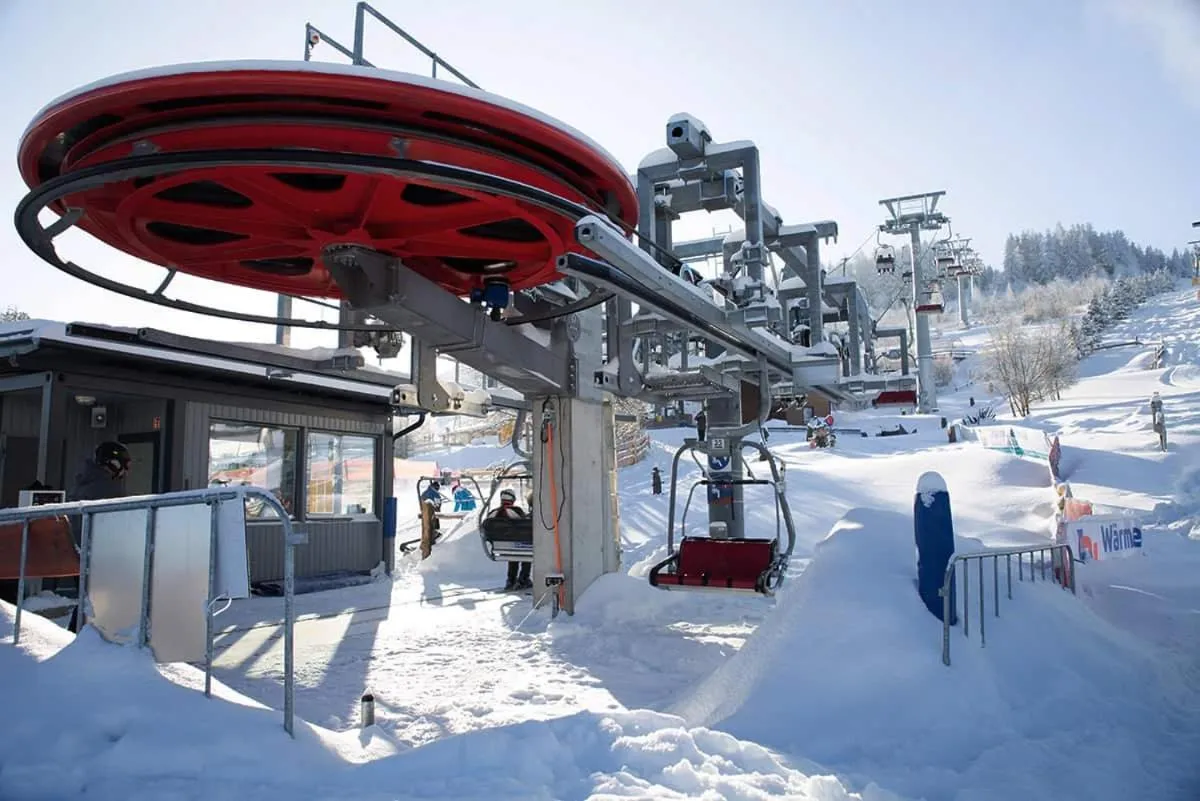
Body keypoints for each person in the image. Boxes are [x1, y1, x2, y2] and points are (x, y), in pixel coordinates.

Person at [488, 488, 531, 591]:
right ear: (513, 499)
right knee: (526, 551)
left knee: (513, 552)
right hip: (521, 546)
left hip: (500, 547)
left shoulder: (494, 513)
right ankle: (523, 579)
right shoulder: (516, 511)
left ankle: (511, 579)